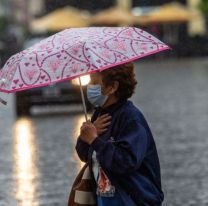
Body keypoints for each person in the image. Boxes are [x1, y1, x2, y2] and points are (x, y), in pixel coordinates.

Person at [76, 62, 164, 206]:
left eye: (94, 82)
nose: (89, 86)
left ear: (113, 87)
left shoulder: (131, 119)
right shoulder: (99, 114)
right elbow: (85, 155)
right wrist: (84, 137)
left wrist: (94, 140)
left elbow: (125, 162)